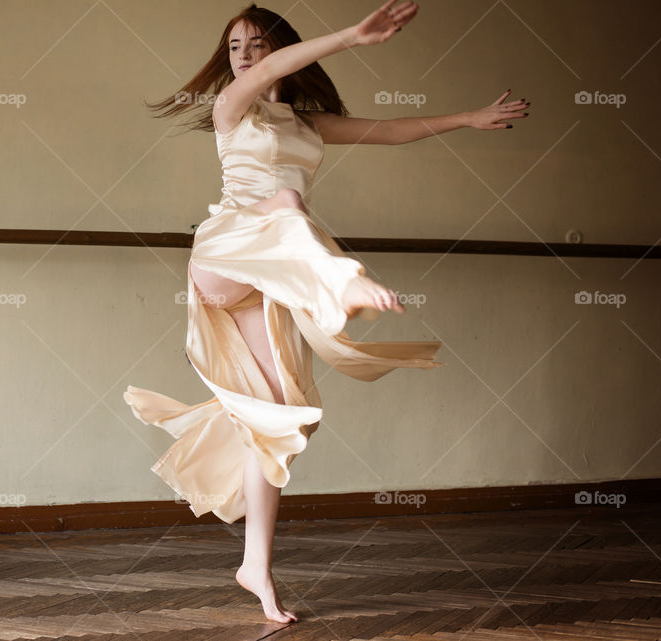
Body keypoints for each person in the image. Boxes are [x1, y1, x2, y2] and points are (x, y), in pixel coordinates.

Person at [124, 0, 528, 624]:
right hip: (225, 256)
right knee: (287, 198)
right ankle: (342, 286)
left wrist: (471, 118)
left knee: (279, 422)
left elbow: (393, 131)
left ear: (278, 48)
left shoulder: (309, 127)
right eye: (235, 47)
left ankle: (255, 565)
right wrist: (349, 37)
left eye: (257, 45)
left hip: (274, 277)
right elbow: (263, 79)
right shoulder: (232, 109)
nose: (246, 57)